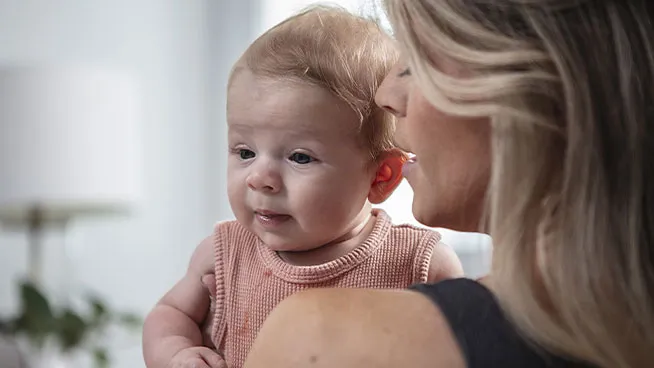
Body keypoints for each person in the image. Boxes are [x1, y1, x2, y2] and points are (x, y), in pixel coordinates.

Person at [242, 1, 654, 367]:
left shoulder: (318, 341)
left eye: (414, 62)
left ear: (532, 91)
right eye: (243, 151)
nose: (385, 94)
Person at [142, 5, 464, 368]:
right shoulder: (223, 254)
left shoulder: (420, 264)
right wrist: (178, 354)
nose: (259, 177)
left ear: (380, 177)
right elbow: (168, 315)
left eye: (299, 157)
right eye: (245, 151)